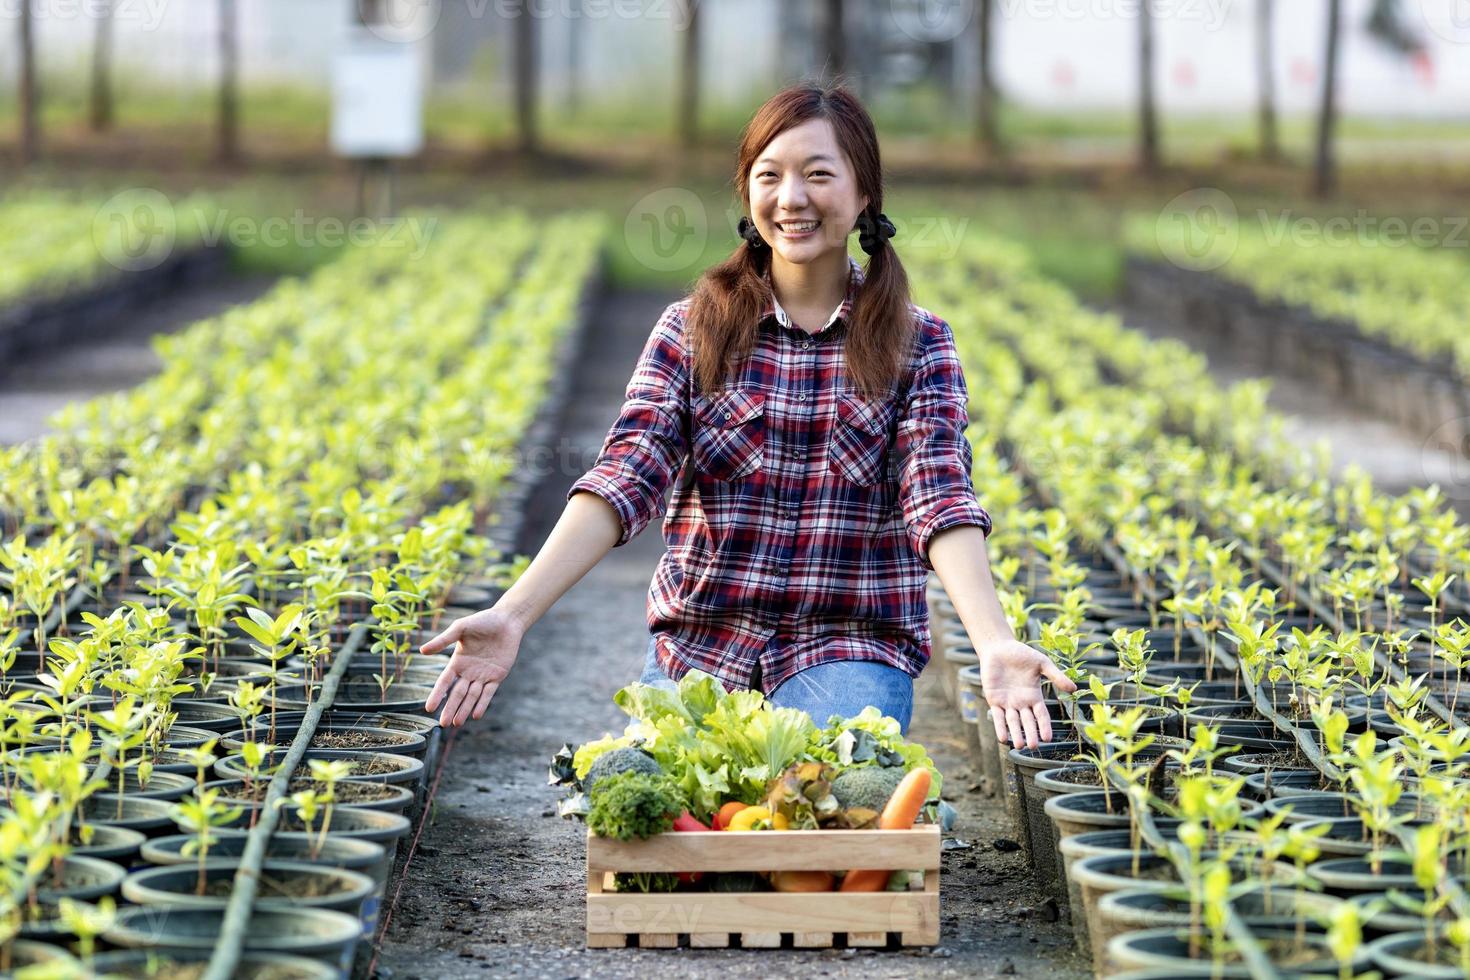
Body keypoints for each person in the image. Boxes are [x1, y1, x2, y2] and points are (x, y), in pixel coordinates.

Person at [422, 84, 1075, 748]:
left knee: (823, 801)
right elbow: (625, 477)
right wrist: (512, 615)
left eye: (818, 174)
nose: (792, 198)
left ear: (864, 194)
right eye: (770, 176)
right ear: (748, 193)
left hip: (846, 647)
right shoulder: (693, 330)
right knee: (669, 820)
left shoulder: (918, 343)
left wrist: (993, 642)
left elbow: (938, 497)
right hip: (704, 647)